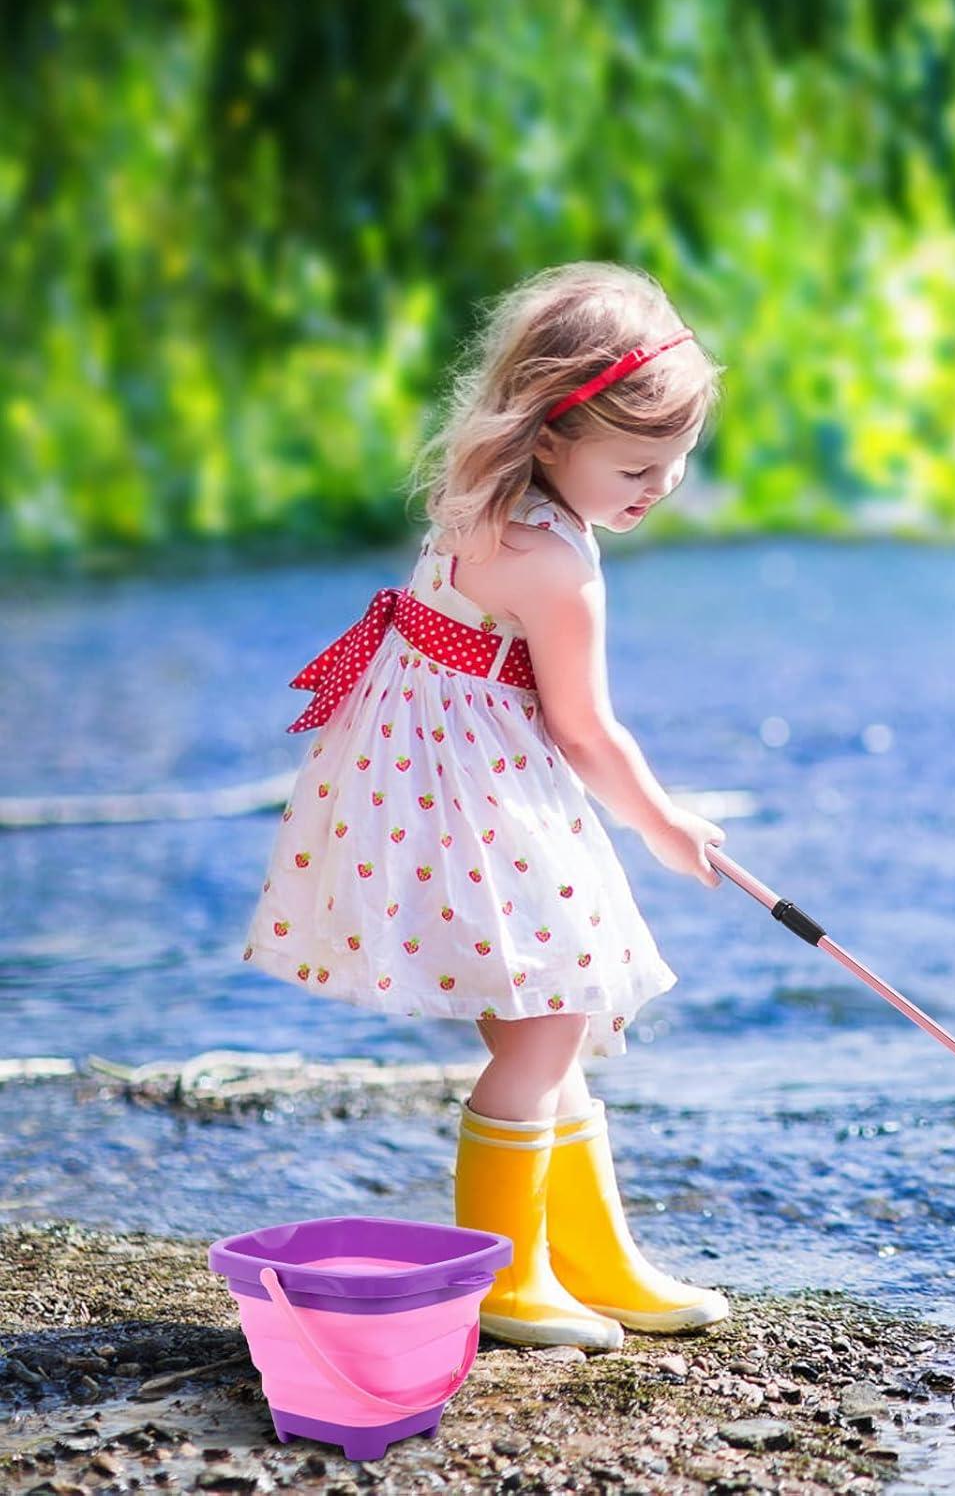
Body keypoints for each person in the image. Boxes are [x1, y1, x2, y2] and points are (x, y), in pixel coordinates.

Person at [241, 262, 730, 1350]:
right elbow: (586, 731)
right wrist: (664, 824)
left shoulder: (488, 495)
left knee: (546, 1024)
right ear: (550, 436)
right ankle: (509, 1280)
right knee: (547, 1025)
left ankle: (594, 1260)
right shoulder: (555, 563)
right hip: (477, 788)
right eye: (639, 463)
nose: (665, 484)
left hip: (423, 777)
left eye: (679, 458)